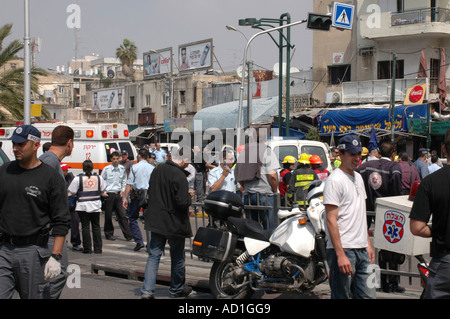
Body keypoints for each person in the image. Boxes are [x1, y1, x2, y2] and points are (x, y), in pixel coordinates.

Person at [0, 125, 70, 299]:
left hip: (32, 251)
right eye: (14, 144)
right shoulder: (4, 171)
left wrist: (56, 256)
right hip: (4, 249)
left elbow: (61, 219)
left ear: (36, 145)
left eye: (21, 144)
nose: (15, 148)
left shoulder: (50, 177)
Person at [323, 134, 376, 299]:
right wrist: (340, 255)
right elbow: (331, 219)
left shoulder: (358, 177)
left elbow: (360, 214)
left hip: (361, 250)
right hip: (345, 249)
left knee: (369, 296)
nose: (357, 158)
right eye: (353, 154)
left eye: (359, 153)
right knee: (341, 295)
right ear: (340, 154)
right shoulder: (334, 181)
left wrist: (367, 244)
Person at [141, 148, 195, 299]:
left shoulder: (158, 170)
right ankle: (176, 289)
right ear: (184, 159)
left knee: (154, 255)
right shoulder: (179, 175)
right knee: (177, 256)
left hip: (157, 220)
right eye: (189, 160)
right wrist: (189, 196)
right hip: (174, 222)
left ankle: (147, 291)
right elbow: (182, 202)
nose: (189, 164)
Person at [357, 141, 404, 293]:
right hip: (389, 212)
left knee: (366, 245)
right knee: (391, 246)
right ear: (393, 154)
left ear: (378, 153)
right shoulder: (394, 167)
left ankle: (380, 281)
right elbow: (397, 188)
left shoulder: (366, 167)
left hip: (369, 209)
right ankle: (392, 282)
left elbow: (356, 176)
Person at [410, 130, 450, 299]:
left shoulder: (430, 182)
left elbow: (417, 227)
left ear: (444, 150)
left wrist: (438, 229)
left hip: (445, 263)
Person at [38, 124, 74, 299]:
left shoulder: (50, 160)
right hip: (50, 231)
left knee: (52, 276)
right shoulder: (50, 162)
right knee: (58, 275)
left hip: (52, 229)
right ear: (70, 143)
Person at [235, 138, 280, 230]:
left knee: (252, 229)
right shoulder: (267, 151)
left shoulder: (244, 153)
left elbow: (237, 174)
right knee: (269, 228)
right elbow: (272, 176)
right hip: (265, 195)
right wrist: (275, 190)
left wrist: (244, 187)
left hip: (248, 196)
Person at [68, 160, 106, 254]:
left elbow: (72, 191)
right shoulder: (98, 178)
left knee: (85, 227)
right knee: (96, 226)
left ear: (83, 168)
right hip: (95, 204)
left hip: (82, 205)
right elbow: (103, 190)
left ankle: (87, 249)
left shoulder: (78, 178)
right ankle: (98, 249)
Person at [123, 149, 154, 251]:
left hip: (138, 195)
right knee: (149, 220)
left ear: (139, 156)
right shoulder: (152, 167)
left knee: (132, 218)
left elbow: (129, 183)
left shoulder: (135, 167)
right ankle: (150, 244)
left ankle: (139, 241)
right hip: (149, 195)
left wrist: (125, 198)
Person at [101, 151, 133, 241]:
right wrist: (103, 193)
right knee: (108, 215)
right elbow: (101, 181)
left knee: (122, 215)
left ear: (119, 159)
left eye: (117, 159)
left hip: (118, 194)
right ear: (111, 159)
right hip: (109, 194)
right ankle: (109, 234)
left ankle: (128, 234)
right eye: (113, 159)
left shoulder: (122, 169)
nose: (115, 160)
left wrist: (123, 190)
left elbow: (124, 180)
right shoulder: (106, 169)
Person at [61, 163, 82, 252]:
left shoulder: (70, 177)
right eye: (65, 170)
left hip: (72, 203)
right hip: (63, 204)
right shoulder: (58, 178)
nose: (67, 171)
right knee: (63, 224)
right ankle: (61, 240)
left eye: (67, 170)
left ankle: (76, 243)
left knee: (75, 223)